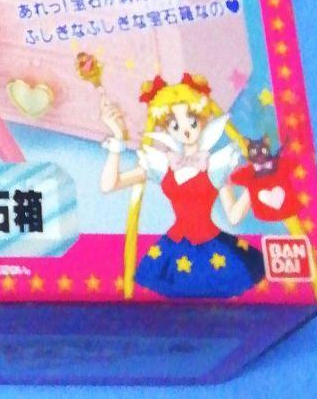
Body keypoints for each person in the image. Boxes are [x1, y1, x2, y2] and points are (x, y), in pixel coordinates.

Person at [99, 72, 264, 298]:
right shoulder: (164, 165)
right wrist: (117, 139)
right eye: (175, 125)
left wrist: (255, 183)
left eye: (192, 122)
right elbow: (110, 185)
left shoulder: (215, 165)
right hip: (174, 248)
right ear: (167, 129)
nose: (186, 130)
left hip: (212, 248)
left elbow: (234, 216)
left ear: (203, 120)